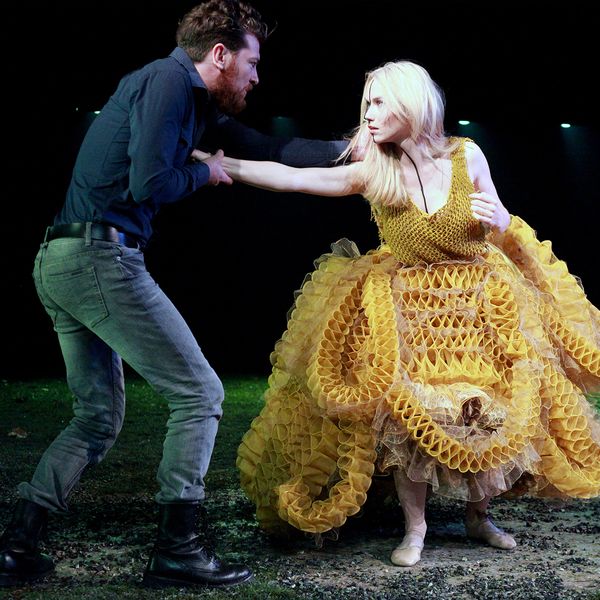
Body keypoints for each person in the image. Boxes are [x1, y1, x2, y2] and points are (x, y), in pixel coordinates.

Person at [193, 60, 600, 567]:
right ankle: (416, 527)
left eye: (379, 101)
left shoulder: (466, 155)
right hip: (406, 310)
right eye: (366, 103)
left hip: (477, 304)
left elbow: (497, 218)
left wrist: (499, 217)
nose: (368, 112)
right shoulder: (375, 169)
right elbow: (293, 178)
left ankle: (479, 516)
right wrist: (221, 165)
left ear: (412, 102)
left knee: (483, 409)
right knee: (406, 416)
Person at [0, 0, 348, 590]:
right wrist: (206, 174)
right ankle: (178, 547)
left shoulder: (191, 103)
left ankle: (18, 542)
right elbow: (151, 181)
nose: (256, 77)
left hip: (62, 260)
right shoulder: (166, 80)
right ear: (218, 54)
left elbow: (264, 146)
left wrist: (347, 151)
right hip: (97, 259)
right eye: (252, 61)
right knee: (200, 392)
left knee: (97, 417)